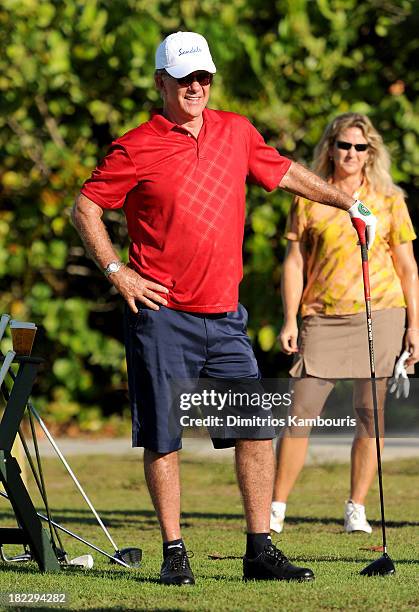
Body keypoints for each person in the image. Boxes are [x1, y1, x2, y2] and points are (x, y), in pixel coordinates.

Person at [72, 32, 377, 585]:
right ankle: (173, 552)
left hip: (224, 315)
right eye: (185, 78)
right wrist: (120, 274)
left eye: (203, 77)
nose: (196, 87)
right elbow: (86, 208)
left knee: (254, 427)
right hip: (162, 314)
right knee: (165, 435)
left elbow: (284, 172)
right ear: (161, 82)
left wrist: (348, 201)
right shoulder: (135, 145)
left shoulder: (235, 131)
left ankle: (259, 551)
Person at [271, 112, 419, 536]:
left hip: (382, 313)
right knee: (300, 412)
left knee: (371, 414)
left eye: (360, 147)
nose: (351, 153)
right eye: (343, 145)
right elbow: (295, 261)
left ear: (370, 152)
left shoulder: (390, 199)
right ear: (330, 148)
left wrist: (415, 327)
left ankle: (356, 506)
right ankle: (275, 508)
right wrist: (290, 318)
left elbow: (407, 267)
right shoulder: (310, 195)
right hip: (322, 314)